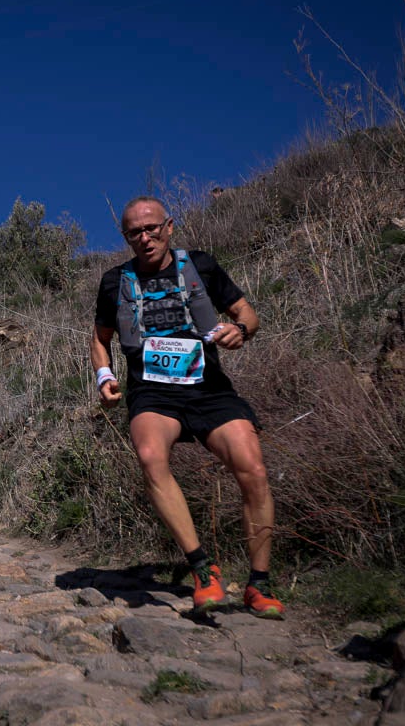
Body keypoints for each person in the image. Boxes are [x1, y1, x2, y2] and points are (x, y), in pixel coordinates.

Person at [90, 196, 285, 619]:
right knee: (149, 456)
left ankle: (259, 583)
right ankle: (202, 568)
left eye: (152, 229)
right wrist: (104, 377)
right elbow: (100, 339)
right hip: (152, 392)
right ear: (125, 238)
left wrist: (240, 331)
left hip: (209, 388)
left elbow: (247, 314)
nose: (145, 238)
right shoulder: (113, 282)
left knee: (253, 467)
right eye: (134, 233)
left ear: (169, 227)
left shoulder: (201, 266)